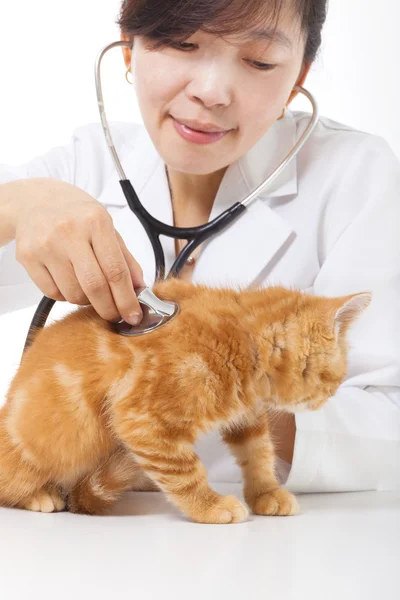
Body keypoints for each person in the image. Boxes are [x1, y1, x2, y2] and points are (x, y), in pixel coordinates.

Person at [0, 0, 399, 492]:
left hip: (261, 548)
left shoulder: (354, 176)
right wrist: (17, 205)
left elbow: (389, 428)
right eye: (183, 44)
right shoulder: (87, 165)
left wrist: (214, 378)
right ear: (129, 48)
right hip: (74, 539)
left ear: (299, 77)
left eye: (259, 62)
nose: (211, 93)